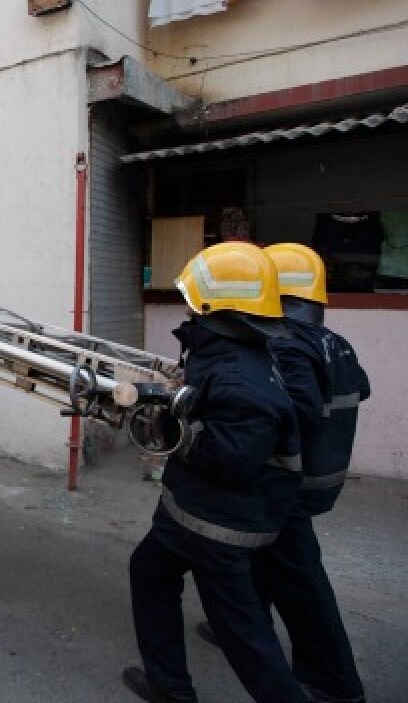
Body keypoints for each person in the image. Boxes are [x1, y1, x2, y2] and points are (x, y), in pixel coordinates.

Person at [123, 242, 306, 703]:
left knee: (244, 635)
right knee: (149, 572)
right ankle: (169, 686)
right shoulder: (236, 351)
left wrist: (167, 422)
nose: (186, 308)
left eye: (192, 301)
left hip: (216, 527)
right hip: (194, 514)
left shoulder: (244, 381)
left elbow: (231, 456)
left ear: (215, 307)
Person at [194, 244, 371, 703]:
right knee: (267, 560)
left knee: (302, 582)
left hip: (288, 484)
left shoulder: (288, 346)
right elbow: (359, 388)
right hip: (316, 479)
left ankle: (334, 684)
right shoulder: (334, 343)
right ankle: (235, 624)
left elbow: (289, 414)